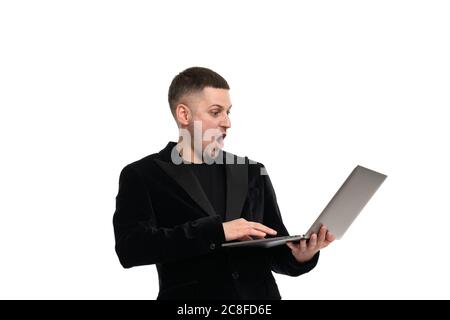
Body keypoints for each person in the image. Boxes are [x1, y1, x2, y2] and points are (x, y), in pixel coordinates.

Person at [113, 66, 335, 300]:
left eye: (228, 112)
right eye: (216, 112)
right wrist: (217, 231)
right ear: (184, 115)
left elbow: (274, 250)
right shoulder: (143, 174)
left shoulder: (251, 170)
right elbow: (131, 249)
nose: (227, 122)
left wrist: (301, 255)